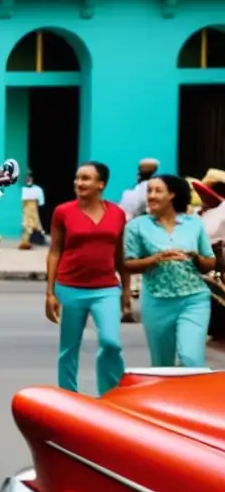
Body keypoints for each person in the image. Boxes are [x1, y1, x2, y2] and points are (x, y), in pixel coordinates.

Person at [45, 162, 130, 396]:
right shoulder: (63, 212)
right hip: (70, 287)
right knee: (69, 349)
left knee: (111, 343)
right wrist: (50, 292)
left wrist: (126, 290)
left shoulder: (117, 214)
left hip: (106, 288)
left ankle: (111, 394)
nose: (79, 183)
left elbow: (120, 253)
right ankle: (69, 399)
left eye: (86, 179)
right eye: (77, 178)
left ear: (100, 184)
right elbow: (55, 251)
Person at [124, 175, 215, 368]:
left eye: (158, 191)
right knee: (162, 365)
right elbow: (127, 264)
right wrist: (155, 259)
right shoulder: (137, 226)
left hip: (194, 299)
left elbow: (210, 262)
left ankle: (195, 397)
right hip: (156, 302)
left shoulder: (194, 224)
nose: (151, 196)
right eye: (149, 191)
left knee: (191, 359)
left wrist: (195, 257)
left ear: (172, 195)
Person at [18, 170, 46, 250]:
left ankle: (41, 239)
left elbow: (41, 202)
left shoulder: (37, 190)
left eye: (30, 177)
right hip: (26, 210)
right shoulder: (23, 189)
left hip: (34, 210)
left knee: (37, 226)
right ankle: (25, 242)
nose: (28, 179)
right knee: (26, 226)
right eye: (27, 178)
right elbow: (23, 202)